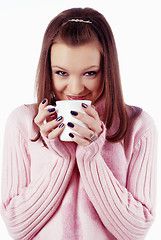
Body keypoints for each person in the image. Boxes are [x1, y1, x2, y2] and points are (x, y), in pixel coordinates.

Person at [0, 7, 157, 240]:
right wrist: (61, 156)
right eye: (62, 73)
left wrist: (92, 155)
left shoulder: (138, 126)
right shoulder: (23, 123)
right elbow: (17, 227)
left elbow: (135, 231)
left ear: (107, 69)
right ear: (48, 70)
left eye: (90, 73)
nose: (75, 89)